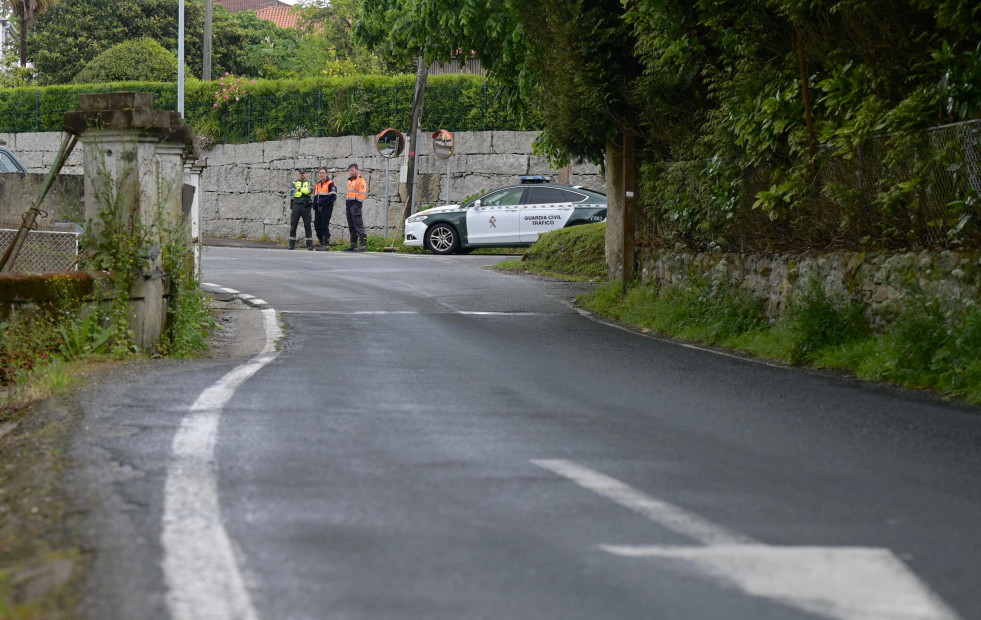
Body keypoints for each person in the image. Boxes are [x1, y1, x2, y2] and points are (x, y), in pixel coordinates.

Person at [287, 169, 314, 250]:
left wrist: (299, 189)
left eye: (304, 173)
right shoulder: (294, 183)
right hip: (296, 205)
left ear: (306, 174)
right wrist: (304, 190)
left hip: (306, 206)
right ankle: (291, 244)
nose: (302, 175)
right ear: (299, 175)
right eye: (301, 174)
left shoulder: (309, 183)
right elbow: (292, 192)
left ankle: (309, 245)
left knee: (307, 225)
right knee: (293, 224)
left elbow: (311, 190)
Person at [344, 163, 368, 252]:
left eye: (352, 170)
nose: (350, 172)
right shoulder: (350, 181)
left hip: (355, 205)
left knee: (358, 224)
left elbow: (363, 193)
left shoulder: (360, 180)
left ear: (357, 170)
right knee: (351, 225)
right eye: (350, 170)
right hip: (349, 204)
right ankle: (353, 244)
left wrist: (358, 205)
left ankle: (363, 244)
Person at [313, 167, 337, 250]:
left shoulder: (331, 183)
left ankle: (326, 244)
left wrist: (322, 202)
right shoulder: (318, 184)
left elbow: (333, 197)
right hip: (318, 209)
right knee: (317, 226)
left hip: (326, 208)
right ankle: (321, 242)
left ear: (326, 174)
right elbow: (315, 197)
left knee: (324, 225)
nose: (321, 174)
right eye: (320, 173)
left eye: (323, 173)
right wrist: (314, 205)